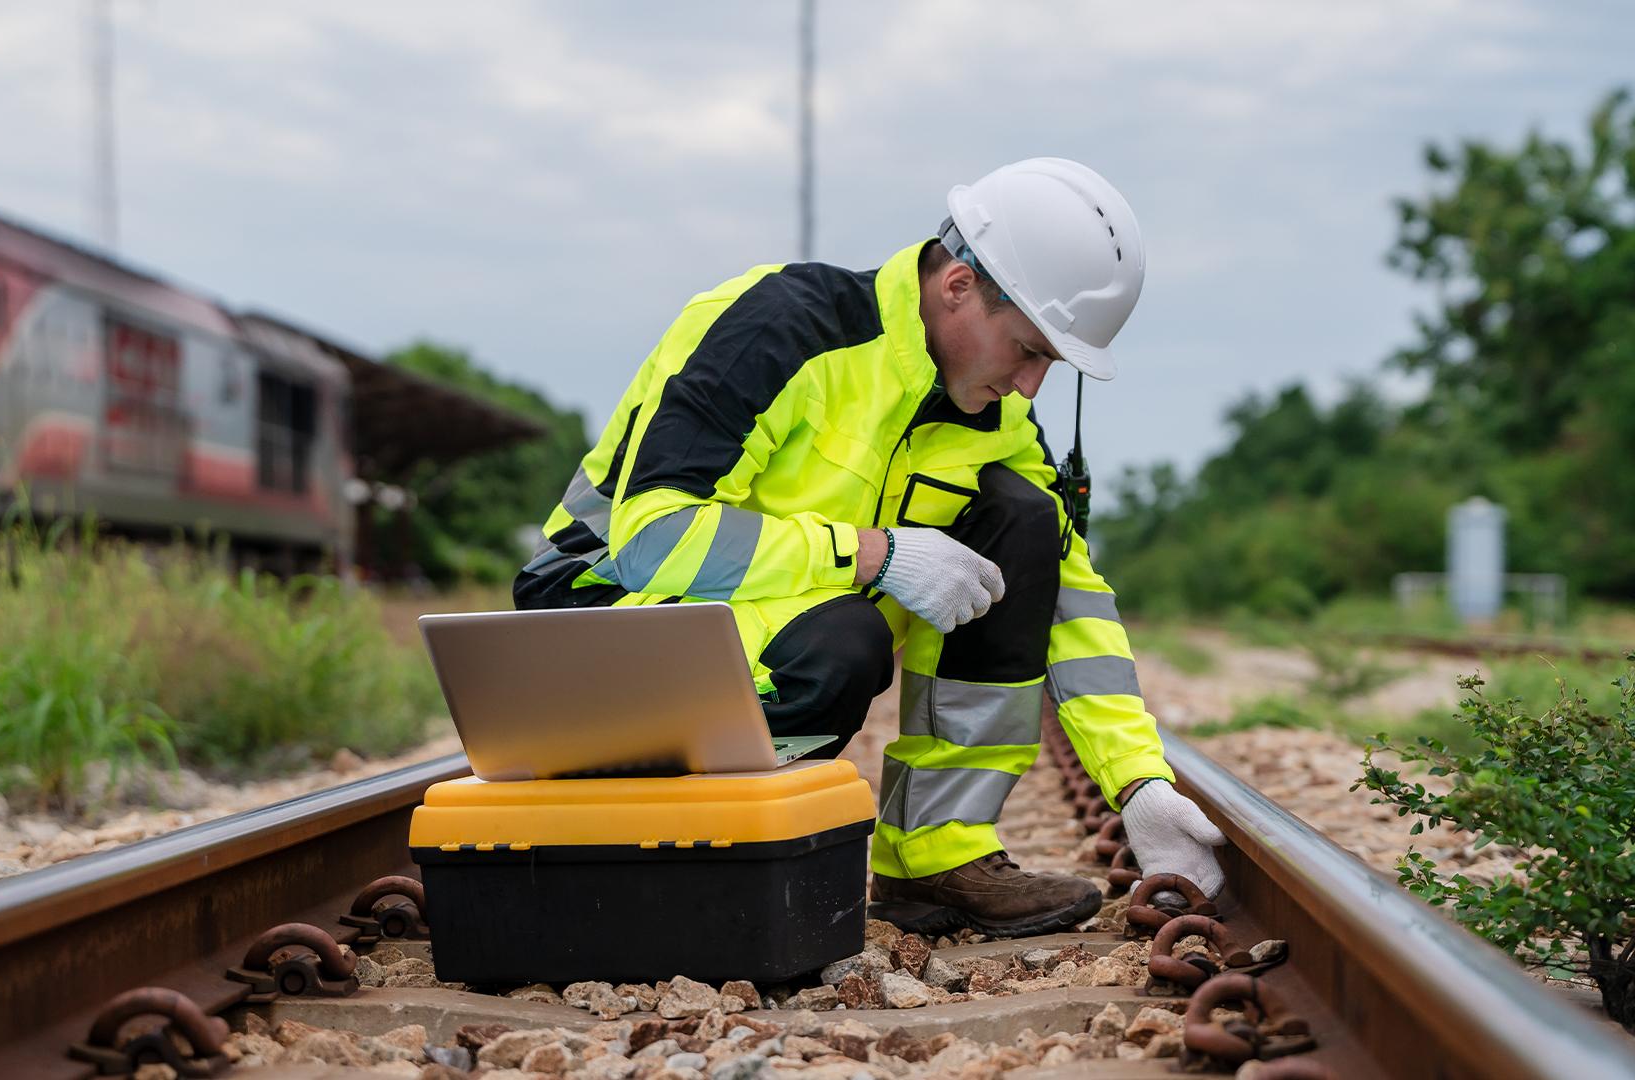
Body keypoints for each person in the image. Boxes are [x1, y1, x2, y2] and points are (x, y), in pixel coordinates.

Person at [515, 158, 1227, 937]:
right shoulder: (776, 328)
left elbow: (1070, 595)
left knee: (1022, 522)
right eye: (1028, 350)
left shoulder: (995, 422)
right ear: (957, 286)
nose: (1030, 388)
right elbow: (654, 538)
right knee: (842, 641)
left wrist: (1138, 784)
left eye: (1048, 364)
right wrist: (876, 554)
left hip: (762, 623)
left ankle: (935, 855)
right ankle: (672, 858)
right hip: (601, 617)